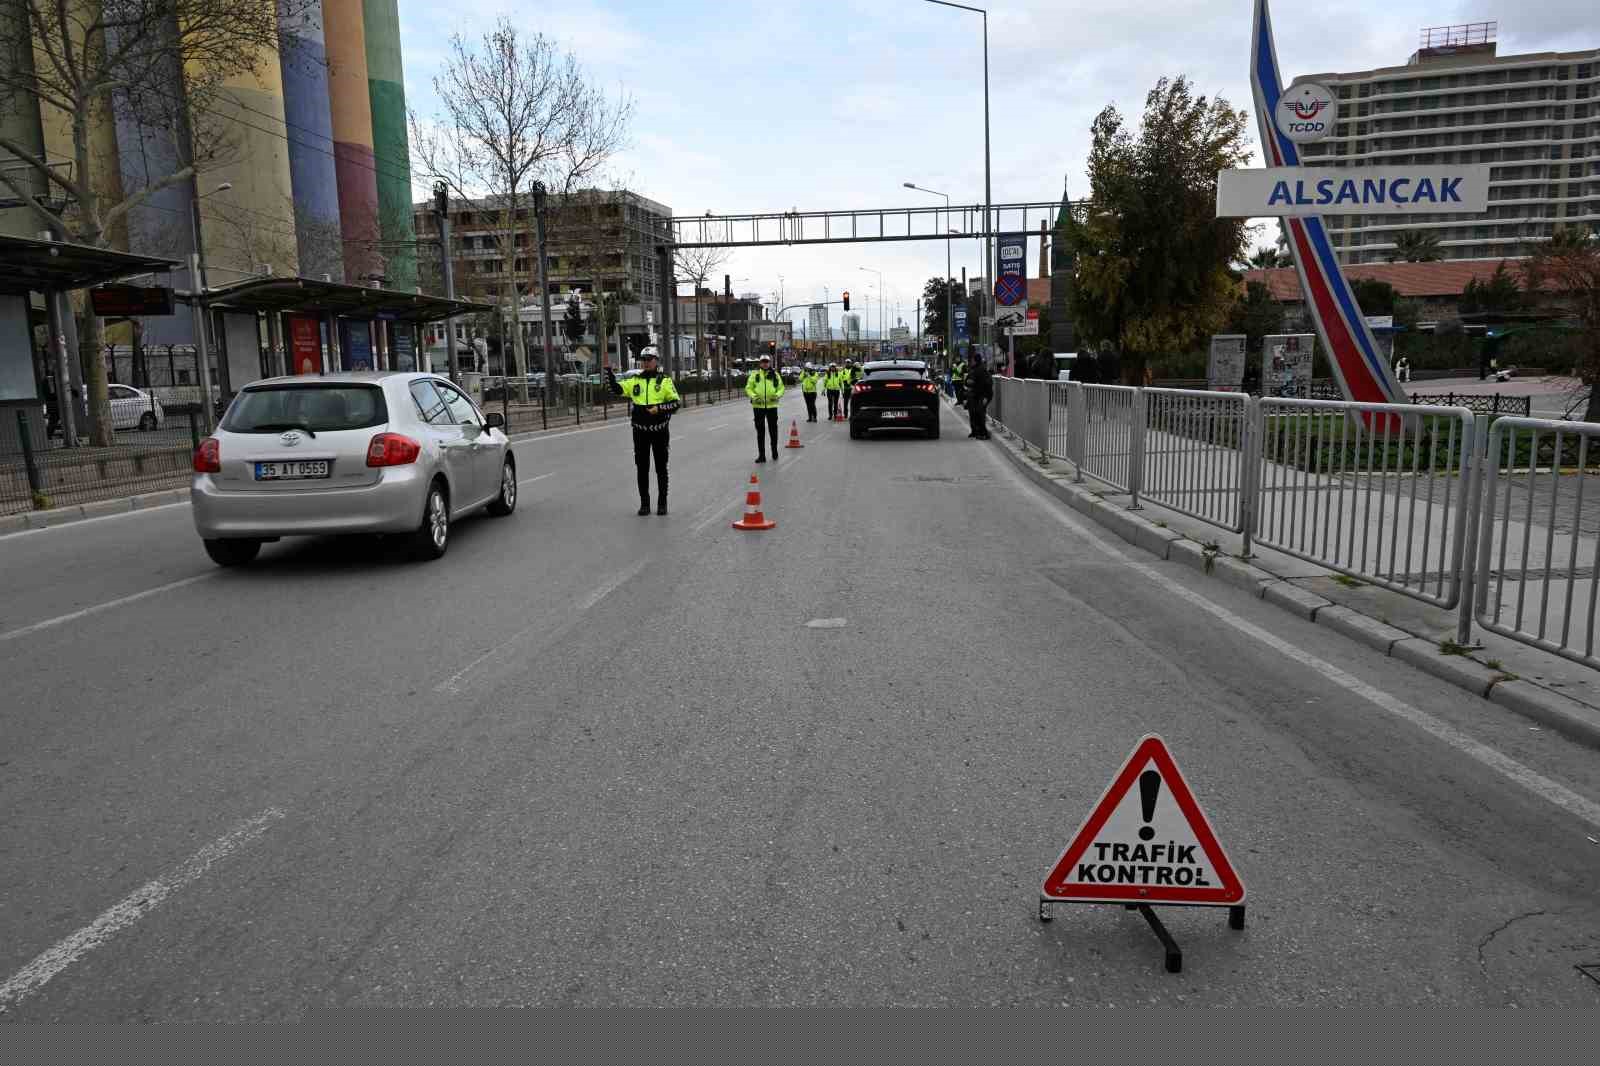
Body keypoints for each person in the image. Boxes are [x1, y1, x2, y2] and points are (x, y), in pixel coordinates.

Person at [607, 347, 679, 515]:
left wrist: (659, 408)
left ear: (656, 361)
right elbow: (615, 389)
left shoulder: (665, 381)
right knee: (642, 467)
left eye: (649, 359)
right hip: (640, 432)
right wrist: (608, 372)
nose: (646, 362)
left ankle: (662, 503)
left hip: (660, 431)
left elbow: (676, 403)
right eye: (643, 359)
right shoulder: (635, 380)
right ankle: (644, 504)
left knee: (661, 468)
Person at [746, 353, 785, 462]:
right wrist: (754, 396)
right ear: (760, 363)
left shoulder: (775, 375)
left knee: (773, 430)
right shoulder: (755, 375)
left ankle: (774, 451)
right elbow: (748, 388)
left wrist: (777, 395)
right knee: (760, 431)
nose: (765, 364)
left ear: (769, 363)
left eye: (766, 362)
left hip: (772, 406)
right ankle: (761, 455)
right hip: (758, 407)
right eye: (763, 362)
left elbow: (781, 388)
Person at [966, 354, 992, 440]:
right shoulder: (973, 370)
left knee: (980, 413)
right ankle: (976, 431)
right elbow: (967, 381)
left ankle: (984, 433)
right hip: (975, 395)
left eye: (972, 360)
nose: (971, 362)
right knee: (974, 413)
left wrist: (986, 397)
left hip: (982, 395)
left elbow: (988, 384)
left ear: (975, 360)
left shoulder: (982, 370)